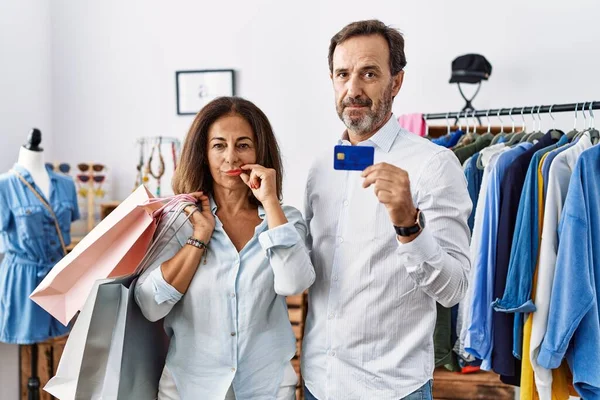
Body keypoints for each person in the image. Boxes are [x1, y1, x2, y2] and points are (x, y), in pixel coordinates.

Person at [301, 20, 472, 400]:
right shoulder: (319, 166)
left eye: (369, 73)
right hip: (319, 384)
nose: (353, 89)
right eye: (343, 74)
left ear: (395, 83)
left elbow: (454, 288)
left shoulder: (435, 165)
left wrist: (409, 224)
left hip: (392, 390)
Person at [135, 96, 315, 399]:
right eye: (219, 145)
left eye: (243, 145)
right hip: (190, 387)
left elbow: (294, 282)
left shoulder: (285, 219)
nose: (231, 157)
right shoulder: (180, 219)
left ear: (260, 152)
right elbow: (150, 305)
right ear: (203, 153)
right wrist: (199, 237)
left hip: (266, 386)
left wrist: (270, 202)